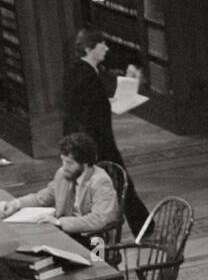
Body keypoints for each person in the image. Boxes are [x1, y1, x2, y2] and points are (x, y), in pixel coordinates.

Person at [63, 27, 150, 238]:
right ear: (89, 48)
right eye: (102, 45)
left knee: (108, 185)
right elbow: (89, 113)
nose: (107, 48)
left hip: (84, 141)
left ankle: (142, 226)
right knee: (121, 183)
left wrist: (115, 98)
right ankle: (142, 227)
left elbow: (91, 105)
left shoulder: (79, 70)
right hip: (95, 142)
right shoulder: (88, 77)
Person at [0, 133, 118, 245]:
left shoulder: (101, 182)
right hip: (66, 233)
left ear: (85, 164)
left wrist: (60, 223)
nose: (64, 167)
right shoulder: (63, 174)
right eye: (63, 161)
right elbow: (41, 198)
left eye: (69, 163)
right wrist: (15, 204)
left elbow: (100, 219)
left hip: (94, 239)